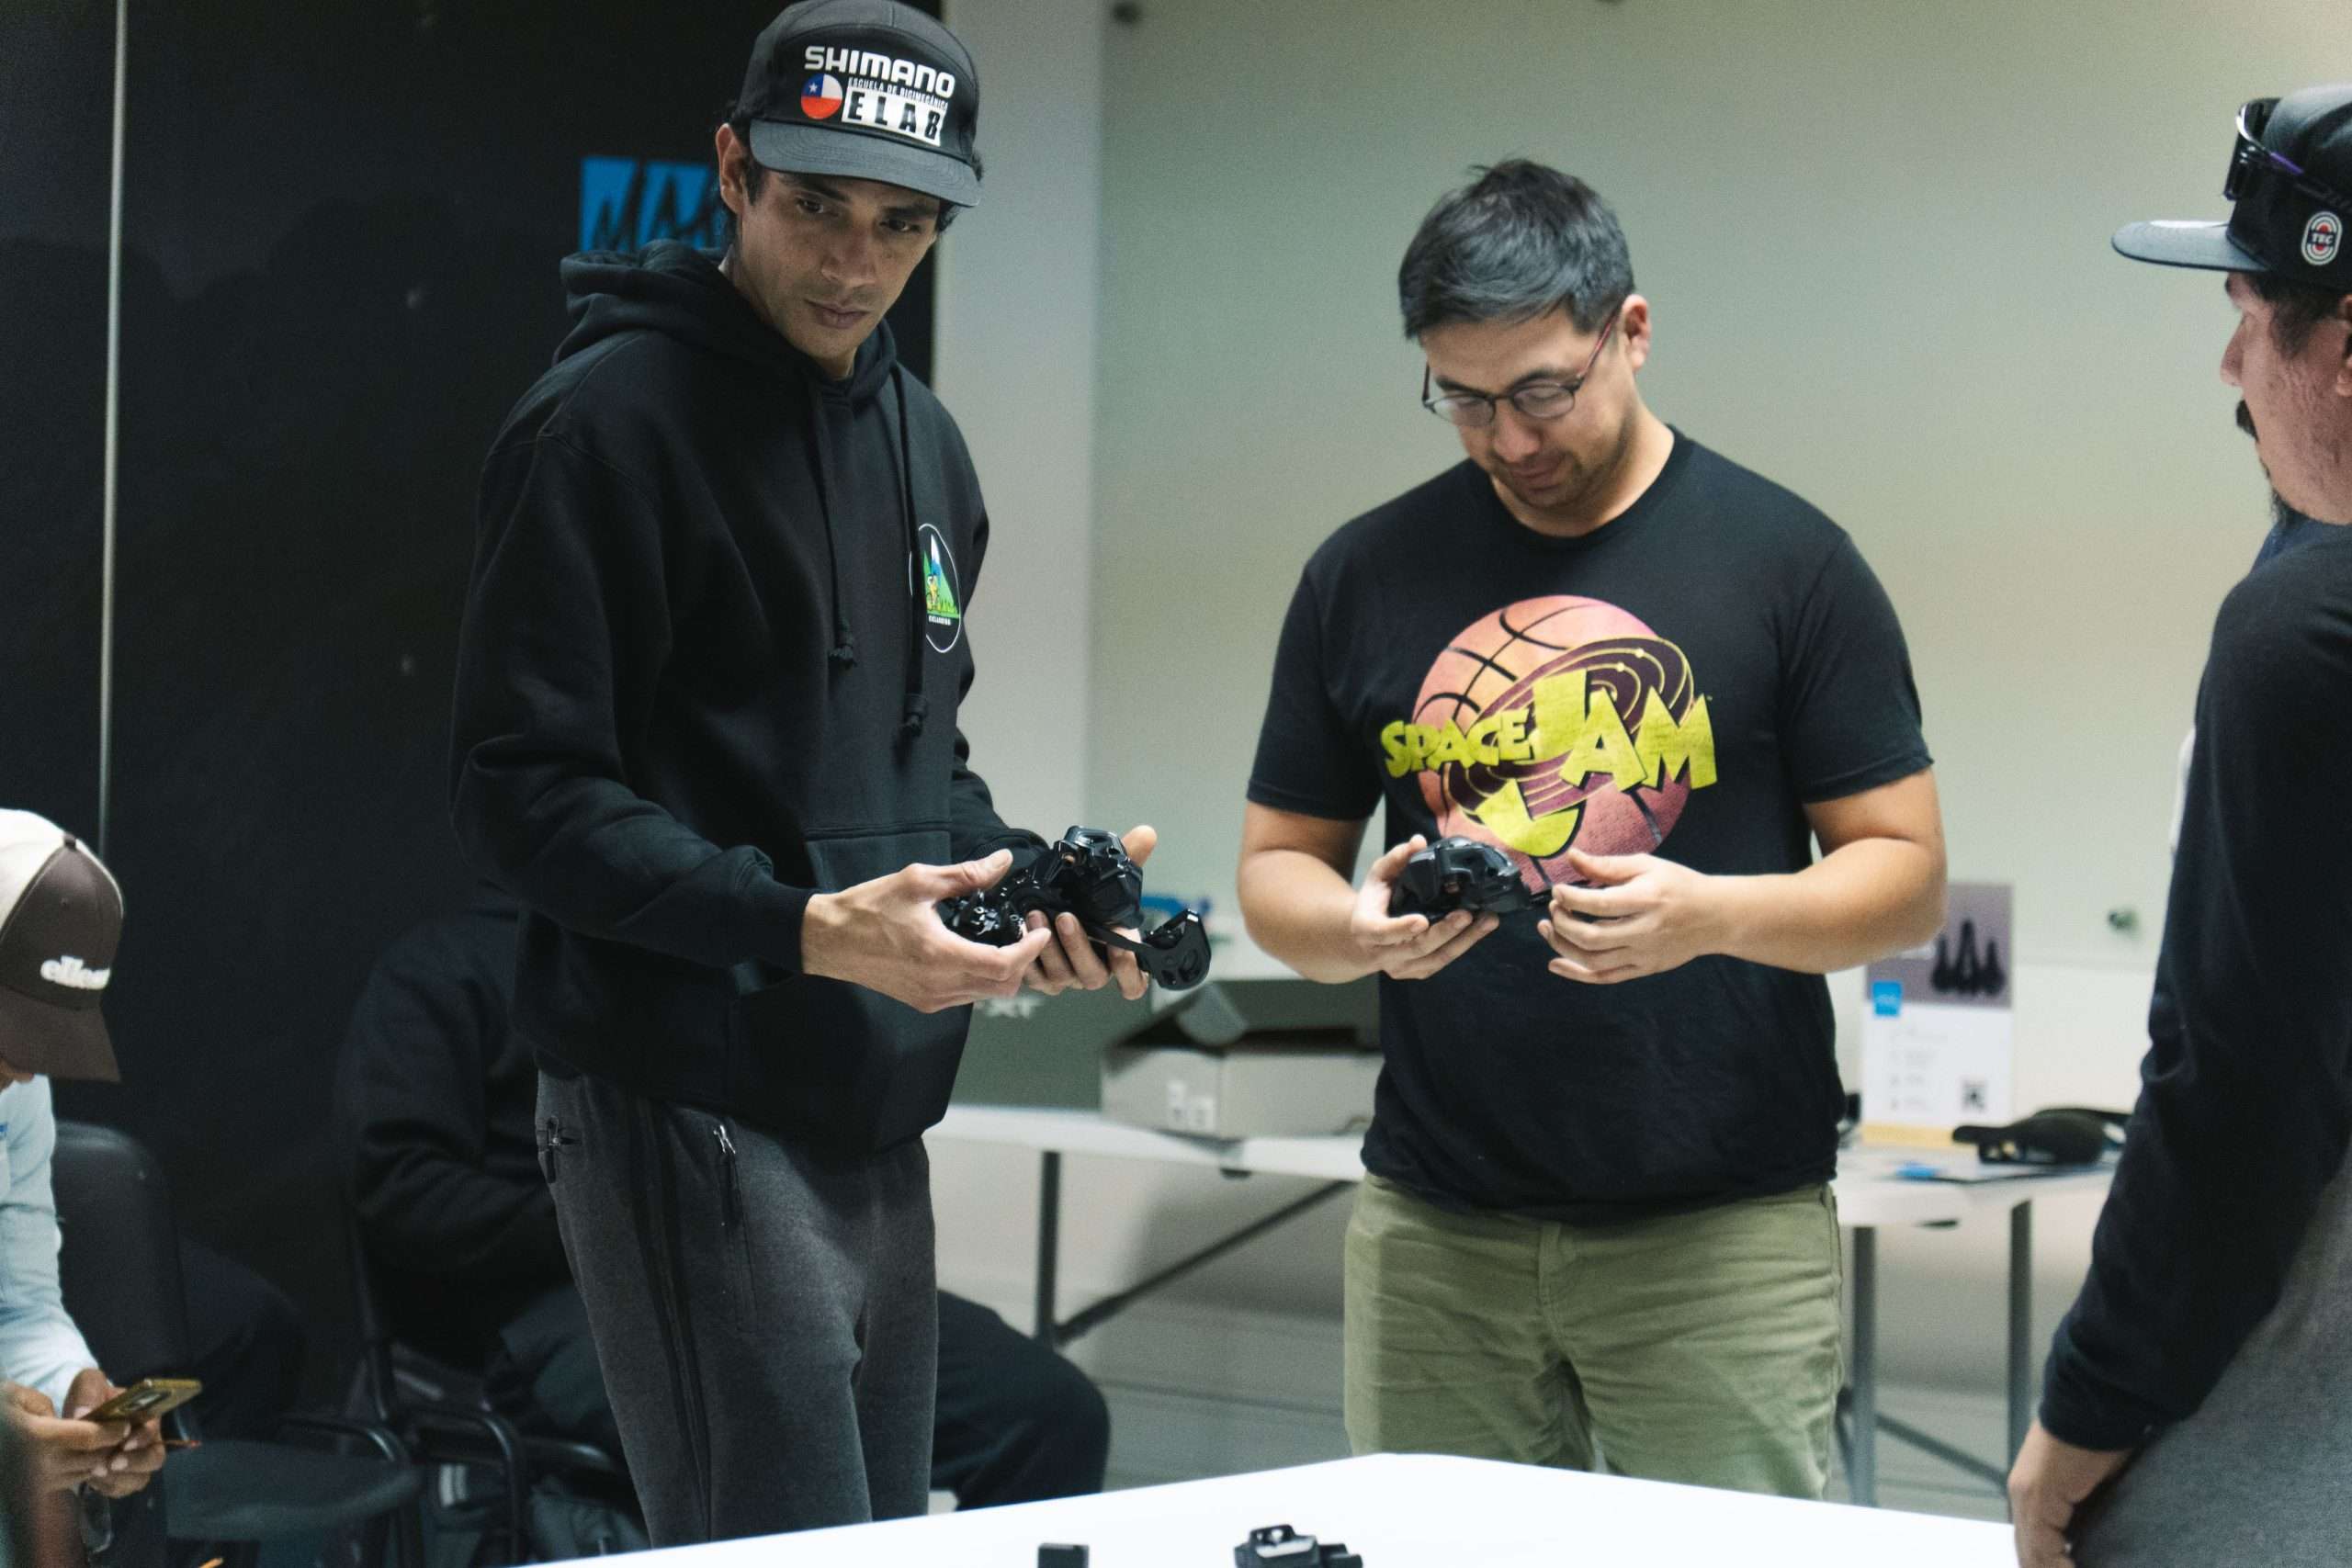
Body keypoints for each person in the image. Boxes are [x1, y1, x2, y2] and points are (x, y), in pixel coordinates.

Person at [448, 0, 1150, 1540]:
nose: (854, 261)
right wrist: (808, 927)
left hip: (873, 1104)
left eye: (902, 224)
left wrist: (1032, 891)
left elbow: (918, 766)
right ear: (732, 172)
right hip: (680, 1090)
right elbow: (520, 794)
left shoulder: (925, 443)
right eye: (817, 205)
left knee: (864, 1545)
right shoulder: (603, 426)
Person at [1236, 161, 1945, 1499]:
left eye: (1543, 391)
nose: (1509, 440)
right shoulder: (1364, 572)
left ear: (1631, 330)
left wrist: (1712, 914)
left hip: (1719, 1236)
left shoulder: (1788, 563)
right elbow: (1279, 870)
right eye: (1464, 399)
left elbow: (1905, 876)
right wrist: (1355, 933)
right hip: (1436, 1229)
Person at [2007, 85, 2352, 1568]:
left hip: (2291, 1429)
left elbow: (2242, 1085)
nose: (2228, 365)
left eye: (2249, 316)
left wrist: (2089, 1408)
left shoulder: (2307, 636)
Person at [335, 891, 1111, 1521]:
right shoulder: (441, 969)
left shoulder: (725, 949)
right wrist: (615, 1209)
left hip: (789, 1244)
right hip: (562, 1298)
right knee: (796, 1442)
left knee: (1047, 1409)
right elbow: (402, 1188)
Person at [0, 813, 166, 1517]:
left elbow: (20, 1302)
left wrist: (77, 1390)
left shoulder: (19, 1092)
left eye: (42, 1041)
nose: (21, 1071)